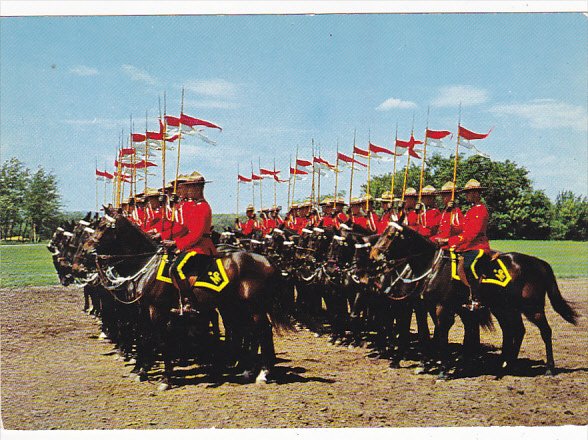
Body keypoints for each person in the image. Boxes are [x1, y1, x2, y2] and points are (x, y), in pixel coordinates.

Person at [168, 171, 218, 306]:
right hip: (193, 246)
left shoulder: (203, 207)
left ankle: (188, 299)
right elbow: (184, 227)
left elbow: (196, 234)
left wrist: (178, 244)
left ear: (198, 188)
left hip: (201, 248)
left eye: (190, 187)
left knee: (176, 269)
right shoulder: (196, 206)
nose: (187, 190)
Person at [447, 179, 490, 311]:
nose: (467, 195)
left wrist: (456, 242)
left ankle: (477, 298)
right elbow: (462, 228)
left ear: (477, 193)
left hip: (478, 246)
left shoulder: (481, 210)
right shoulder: (470, 210)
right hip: (469, 246)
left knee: (468, 265)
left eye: (469, 193)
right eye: (466, 193)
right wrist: (452, 212)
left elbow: (473, 233)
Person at [430, 181, 465, 248]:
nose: (443, 198)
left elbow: (459, 230)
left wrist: (446, 240)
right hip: (439, 239)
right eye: (442, 196)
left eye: (445, 196)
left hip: (449, 242)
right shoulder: (444, 212)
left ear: (451, 196)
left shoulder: (456, 213)